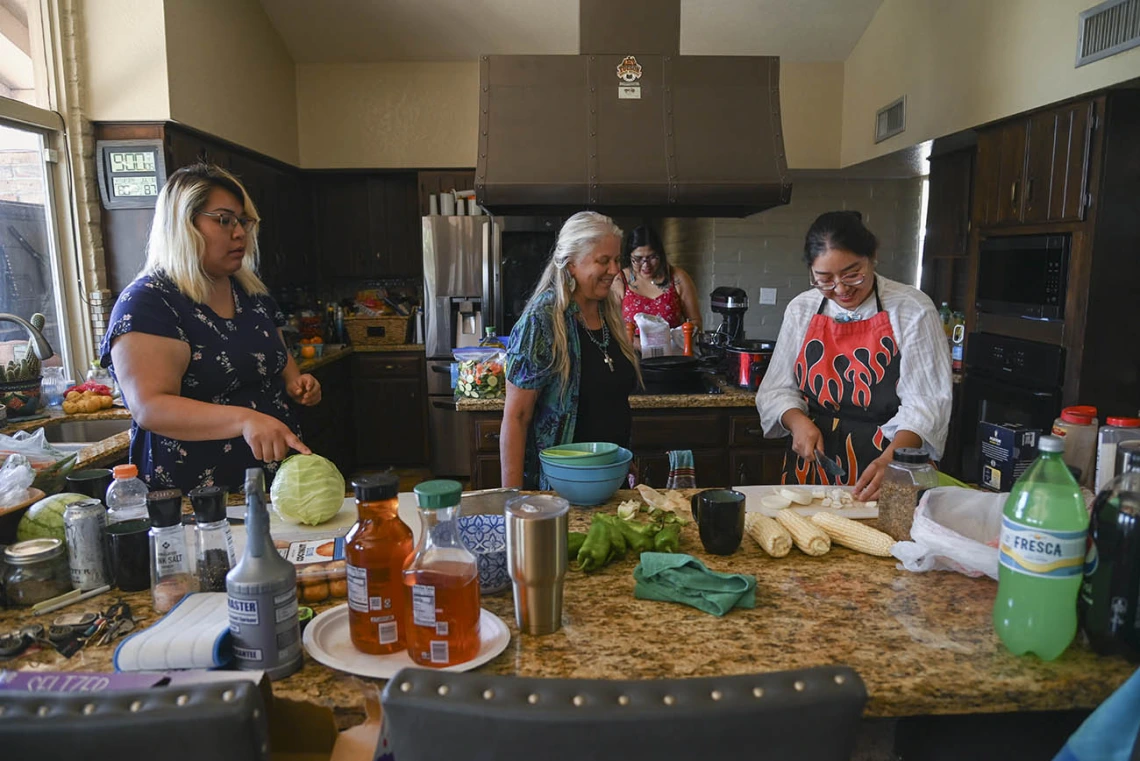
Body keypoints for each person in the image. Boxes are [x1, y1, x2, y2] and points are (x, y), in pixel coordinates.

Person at [100, 163, 321, 494]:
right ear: (184, 223)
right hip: (198, 492)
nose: (239, 233)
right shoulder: (150, 303)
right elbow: (150, 407)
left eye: (243, 222)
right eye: (224, 220)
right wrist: (246, 419)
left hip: (273, 480)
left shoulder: (248, 292)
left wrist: (296, 382)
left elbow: (275, 355)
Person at [756, 211, 951, 501]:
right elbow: (776, 390)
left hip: (892, 464)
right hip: (814, 469)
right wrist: (797, 422)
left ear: (872, 256)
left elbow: (926, 404)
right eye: (824, 279)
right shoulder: (802, 309)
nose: (841, 288)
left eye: (852, 274)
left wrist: (892, 462)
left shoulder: (912, 309)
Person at [500, 212, 640, 489]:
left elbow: (609, 401)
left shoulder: (608, 311)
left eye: (617, 259)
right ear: (571, 264)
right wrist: (512, 498)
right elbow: (516, 417)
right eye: (603, 261)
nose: (615, 270)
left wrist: (625, 459)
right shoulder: (542, 321)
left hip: (611, 480)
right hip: (563, 489)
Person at [613, 225, 702, 332]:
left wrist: (678, 337)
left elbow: (695, 321)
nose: (646, 265)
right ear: (629, 257)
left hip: (671, 346)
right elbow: (613, 325)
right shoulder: (620, 281)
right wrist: (639, 345)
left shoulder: (678, 278)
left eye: (652, 257)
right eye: (638, 259)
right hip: (631, 347)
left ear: (661, 254)